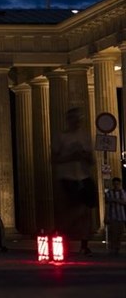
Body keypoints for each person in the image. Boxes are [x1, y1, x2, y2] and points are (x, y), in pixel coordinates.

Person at [52, 106, 97, 255]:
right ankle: (61, 234)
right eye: (73, 118)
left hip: (84, 176)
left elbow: (91, 160)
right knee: (72, 209)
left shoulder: (85, 135)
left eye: (79, 118)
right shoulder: (61, 136)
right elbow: (53, 158)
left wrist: (84, 155)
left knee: (87, 210)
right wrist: (71, 155)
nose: (77, 121)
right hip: (67, 177)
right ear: (68, 120)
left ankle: (84, 244)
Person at [104, 177, 125, 256]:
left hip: (121, 216)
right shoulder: (109, 193)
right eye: (115, 184)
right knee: (113, 233)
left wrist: (114, 200)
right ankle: (112, 248)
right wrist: (106, 217)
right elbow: (107, 205)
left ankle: (117, 248)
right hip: (112, 216)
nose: (116, 185)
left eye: (117, 184)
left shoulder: (122, 192)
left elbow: (124, 201)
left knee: (119, 234)